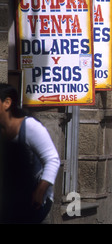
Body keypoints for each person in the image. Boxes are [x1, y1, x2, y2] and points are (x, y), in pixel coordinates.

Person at [0, 83, 60, 224]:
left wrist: (40, 191)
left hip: (32, 201)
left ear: (7, 103)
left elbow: (52, 159)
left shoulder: (29, 126)